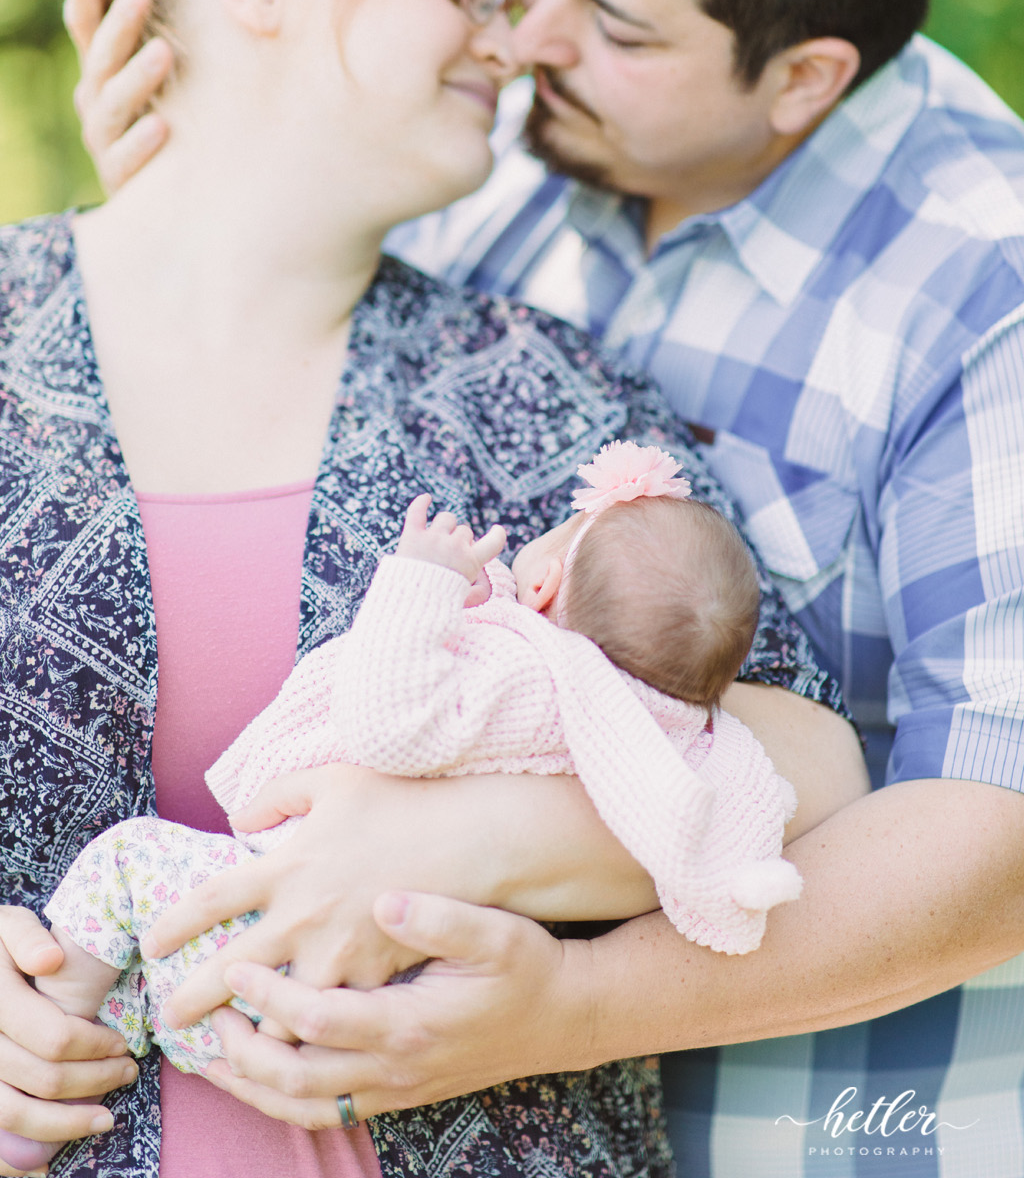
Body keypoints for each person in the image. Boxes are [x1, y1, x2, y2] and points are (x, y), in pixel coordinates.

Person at [64, 0, 1024, 1175]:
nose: (523, 41)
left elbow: (1002, 836)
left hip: (829, 1134)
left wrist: (574, 1004)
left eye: (617, 27)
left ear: (806, 75)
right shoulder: (489, 170)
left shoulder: (985, 287)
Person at [28, 443, 798, 1153]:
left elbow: (390, 724)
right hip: (382, 1010)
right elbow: (740, 793)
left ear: (542, 583)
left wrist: (421, 581)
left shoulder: (520, 671)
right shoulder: (661, 729)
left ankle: (47, 1039)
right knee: (152, 965)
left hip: (279, 933)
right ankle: (81, 1063)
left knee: (127, 862)